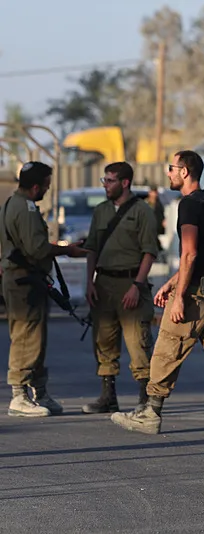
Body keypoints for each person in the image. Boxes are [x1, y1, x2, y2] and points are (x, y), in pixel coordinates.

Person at [110, 150, 204, 436]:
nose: (168, 173)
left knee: (166, 347)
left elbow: (189, 253)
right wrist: (171, 282)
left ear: (185, 171)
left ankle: (150, 412)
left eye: (171, 168)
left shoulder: (188, 205)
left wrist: (178, 296)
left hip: (194, 295)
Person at [0, 162, 87, 416]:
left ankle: (39, 390)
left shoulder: (11, 204)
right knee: (26, 336)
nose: (47, 190)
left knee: (36, 336)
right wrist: (68, 250)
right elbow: (37, 249)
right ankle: (19, 394)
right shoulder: (24, 208)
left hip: (27, 278)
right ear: (36, 186)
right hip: (23, 279)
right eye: (47, 185)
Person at [82, 162, 159, 414]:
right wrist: (90, 282)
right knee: (104, 342)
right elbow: (92, 248)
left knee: (138, 342)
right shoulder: (101, 211)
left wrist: (137, 285)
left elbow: (149, 252)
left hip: (130, 283)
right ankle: (108, 396)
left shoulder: (142, 211)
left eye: (110, 180)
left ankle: (145, 400)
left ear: (125, 183)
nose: (105, 185)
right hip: (103, 284)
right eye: (104, 180)